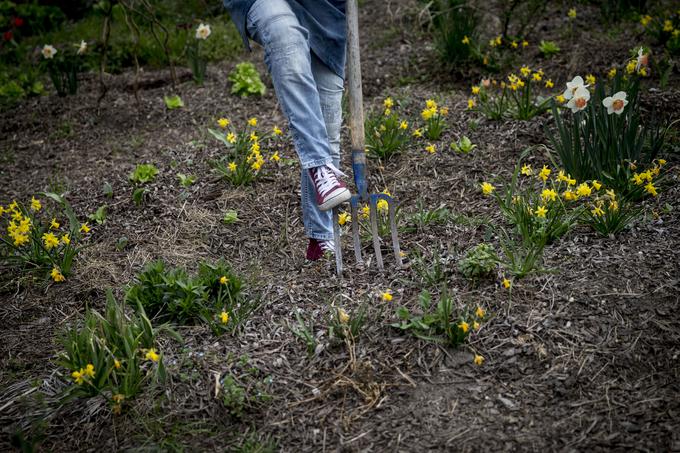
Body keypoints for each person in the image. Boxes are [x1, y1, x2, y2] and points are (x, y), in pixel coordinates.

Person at [223, 0, 351, 261]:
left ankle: (321, 240)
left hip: (326, 10)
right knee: (285, 38)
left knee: (326, 127)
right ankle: (319, 168)